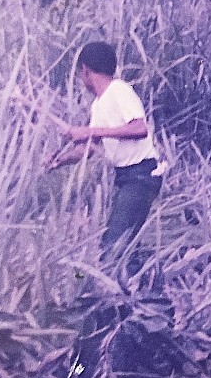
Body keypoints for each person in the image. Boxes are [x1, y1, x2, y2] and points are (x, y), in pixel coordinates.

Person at [48, 41, 163, 276]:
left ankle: (135, 300)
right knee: (125, 246)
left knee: (113, 248)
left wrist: (89, 131)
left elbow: (139, 129)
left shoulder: (118, 90)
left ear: (86, 71)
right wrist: (61, 160)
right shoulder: (99, 105)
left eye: (82, 75)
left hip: (140, 175)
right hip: (129, 178)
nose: (82, 80)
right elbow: (89, 149)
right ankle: (148, 294)